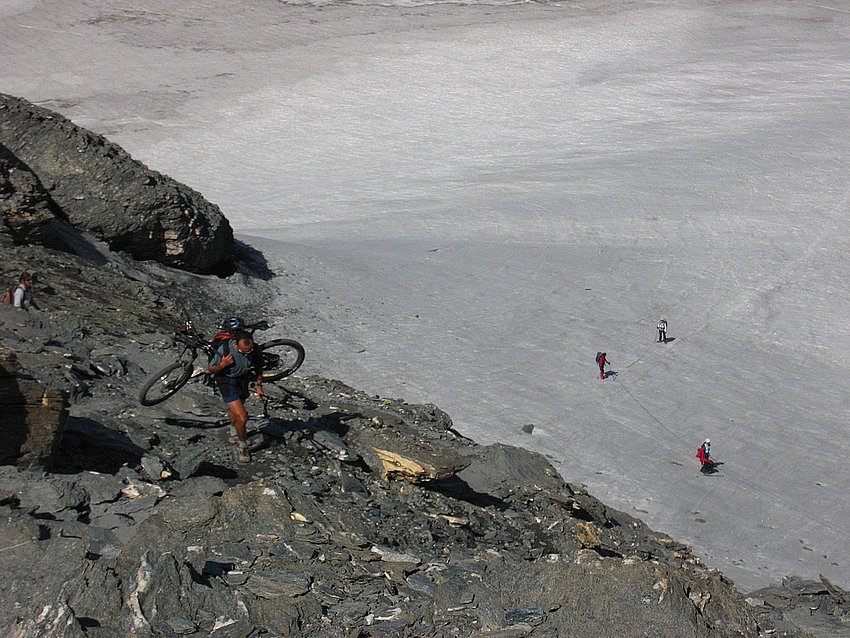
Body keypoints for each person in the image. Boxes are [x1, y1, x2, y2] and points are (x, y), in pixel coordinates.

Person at [207, 329, 264, 463]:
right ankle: (242, 446)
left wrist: (259, 385)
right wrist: (222, 365)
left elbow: (259, 367)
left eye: (249, 351)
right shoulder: (225, 349)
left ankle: (233, 432)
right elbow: (211, 368)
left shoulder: (253, 349)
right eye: (243, 351)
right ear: (236, 345)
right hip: (226, 381)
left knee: (236, 411)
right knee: (242, 417)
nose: (247, 354)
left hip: (242, 380)